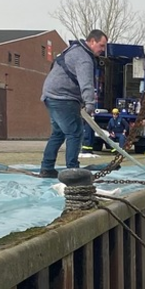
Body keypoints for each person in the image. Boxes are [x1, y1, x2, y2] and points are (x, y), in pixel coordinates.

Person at [38, 29, 108, 178]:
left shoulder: (73, 49)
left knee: (58, 133)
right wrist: (90, 104)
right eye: (101, 46)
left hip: (50, 95)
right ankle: (73, 170)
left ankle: (47, 167)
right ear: (92, 41)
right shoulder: (84, 58)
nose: (103, 50)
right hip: (62, 97)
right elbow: (86, 83)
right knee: (75, 133)